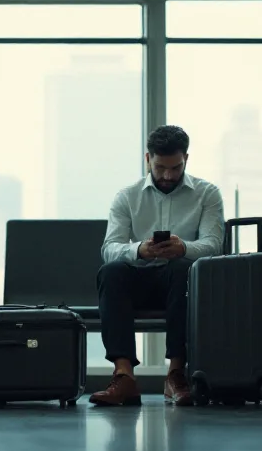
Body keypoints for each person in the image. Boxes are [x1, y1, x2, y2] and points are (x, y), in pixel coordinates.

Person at [91, 125, 224, 407]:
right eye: (160, 167)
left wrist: (184, 247)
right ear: (147, 159)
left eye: (175, 168)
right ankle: (124, 375)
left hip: (183, 283)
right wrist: (140, 249)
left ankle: (176, 374)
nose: (167, 175)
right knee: (111, 272)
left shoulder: (207, 193)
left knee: (183, 268)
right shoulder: (127, 196)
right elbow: (110, 248)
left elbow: (214, 244)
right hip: (140, 278)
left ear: (186, 159)